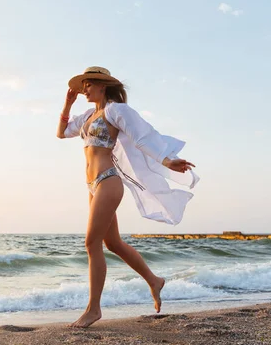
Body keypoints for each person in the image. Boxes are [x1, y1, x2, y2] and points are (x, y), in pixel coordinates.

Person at [56, 66, 199, 328]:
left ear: (102, 85)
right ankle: (154, 281)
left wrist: (167, 160)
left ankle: (93, 309)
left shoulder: (116, 111)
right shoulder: (89, 115)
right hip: (92, 185)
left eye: (88, 85)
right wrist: (67, 104)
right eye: (83, 85)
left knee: (91, 243)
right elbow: (62, 132)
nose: (84, 89)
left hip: (108, 181)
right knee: (113, 244)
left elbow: (142, 136)